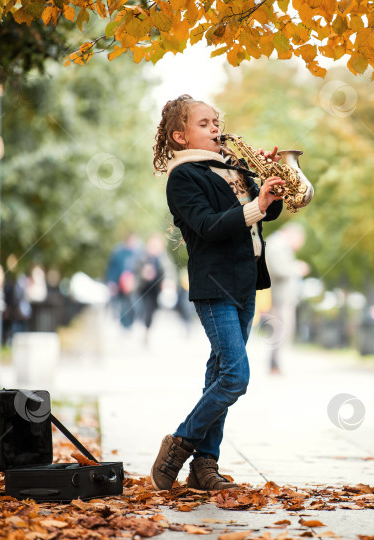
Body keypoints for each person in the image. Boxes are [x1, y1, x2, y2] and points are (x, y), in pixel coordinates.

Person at [150, 94, 285, 492]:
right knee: (235, 376)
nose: (216, 129)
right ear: (180, 135)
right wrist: (256, 205)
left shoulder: (233, 168)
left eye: (216, 121)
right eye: (205, 123)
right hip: (214, 285)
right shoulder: (184, 177)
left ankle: (204, 467)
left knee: (217, 375)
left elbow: (268, 212)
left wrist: (268, 185)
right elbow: (209, 226)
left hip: (246, 283)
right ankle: (179, 444)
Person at [264, 223, 308, 374]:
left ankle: (275, 364)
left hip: (281, 297)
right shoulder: (277, 245)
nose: (297, 246)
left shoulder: (278, 245)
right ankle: (275, 365)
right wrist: (296, 268)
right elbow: (278, 270)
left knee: (280, 331)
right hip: (279, 298)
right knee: (281, 331)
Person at [105, 234, 141, 330]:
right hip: (119, 284)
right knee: (122, 305)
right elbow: (112, 268)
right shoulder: (118, 253)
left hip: (134, 286)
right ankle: (124, 326)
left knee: (133, 305)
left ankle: (130, 324)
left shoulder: (139, 254)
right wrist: (112, 282)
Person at [136, 234, 166, 346]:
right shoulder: (142, 257)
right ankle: (143, 329)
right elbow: (135, 272)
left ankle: (146, 330)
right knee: (144, 309)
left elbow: (168, 272)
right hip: (143, 289)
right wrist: (143, 274)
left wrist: (167, 282)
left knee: (151, 311)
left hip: (156, 290)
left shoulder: (163, 258)